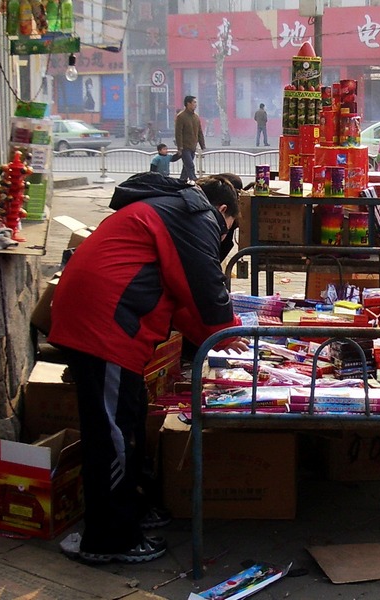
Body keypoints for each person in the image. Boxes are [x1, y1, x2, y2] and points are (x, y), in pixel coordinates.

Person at [48, 173, 247, 564]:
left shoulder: (172, 211)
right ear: (223, 211)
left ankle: (135, 508)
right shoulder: (196, 217)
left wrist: (225, 334)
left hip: (107, 319)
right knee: (112, 435)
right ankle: (109, 539)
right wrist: (227, 329)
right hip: (103, 325)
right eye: (231, 229)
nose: (226, 239)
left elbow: (184, 302)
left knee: (130, 416)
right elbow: (206, 289)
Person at [175, 95, 206, 182]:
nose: (195, 104)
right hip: (185, 147)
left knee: (185, 169)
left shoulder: (196, 117)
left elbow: (199, 132)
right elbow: (178, 133)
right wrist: (180, 148)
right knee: (190, 166)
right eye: (194, 102)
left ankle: (180, 184)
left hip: (193, 146)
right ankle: (196, 183)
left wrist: (202, 145)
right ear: (188, 104)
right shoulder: (181, 116)